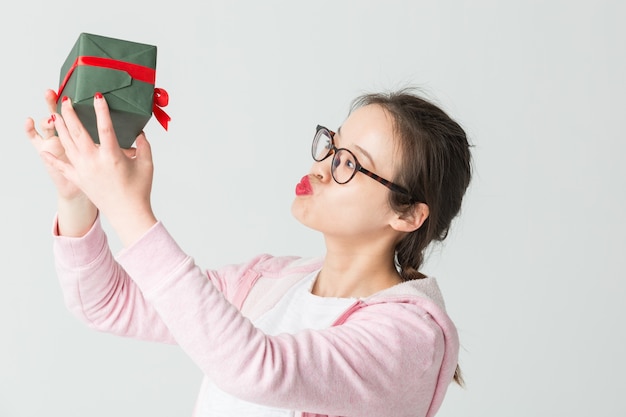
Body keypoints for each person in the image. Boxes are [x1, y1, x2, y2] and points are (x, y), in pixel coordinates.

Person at [25, 86, 472, 417]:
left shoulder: (412, 337)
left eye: (348, 164)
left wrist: (128, 209)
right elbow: (106, 302)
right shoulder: (267, 283)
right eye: (331, 147)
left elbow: (258, 369)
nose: (319, 168)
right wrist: (77, 194)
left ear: (409, 215)